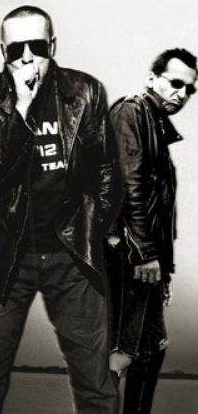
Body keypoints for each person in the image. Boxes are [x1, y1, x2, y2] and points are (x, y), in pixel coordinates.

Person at [0, 5, 119, 414]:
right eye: (17, 49)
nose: (27, 57)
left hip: (72, 256)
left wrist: (95, 229)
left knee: (94, 380)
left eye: (37, 46)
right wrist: (21, 108)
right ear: (3, 52)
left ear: (53, 46)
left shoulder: (85, 92)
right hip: (9, 255)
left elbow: (105, 169)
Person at [106, 48, 197, 413]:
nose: (182, 93)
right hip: (127, 255)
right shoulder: (132, 112)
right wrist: (144, 253)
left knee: (151, 348)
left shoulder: (156, 124)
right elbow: (129, 185)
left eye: (190, 89)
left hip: (146, 261)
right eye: (175, 83)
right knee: (122, 352)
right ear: (151, 78)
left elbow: (161, 208)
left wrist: (163, 270)